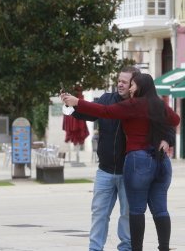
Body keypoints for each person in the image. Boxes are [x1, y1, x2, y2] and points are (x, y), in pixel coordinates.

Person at [62, 73, 180, 251]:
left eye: (131, 84)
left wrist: (77, 101)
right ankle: (164, 248)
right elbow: (175, 120)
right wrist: (165, 138)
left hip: (137, 161)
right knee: (160, 209)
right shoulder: (158, 104)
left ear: (139, 86)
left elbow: (105, 111)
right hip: (160, 161)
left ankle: (135, 249)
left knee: (135, 210)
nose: (127, 87)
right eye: (123, 83)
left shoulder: (133, 104)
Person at [69, 66, 139, 251]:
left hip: (129, 172)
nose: (120, 84)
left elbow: (162, 122)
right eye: (119, 80)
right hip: (105, 171)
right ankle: (95, 248)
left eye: (125, 82)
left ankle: (126, 248)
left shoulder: (140, 104)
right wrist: (72, 105)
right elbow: (88, 112)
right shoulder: (107, 99)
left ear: (134, 84)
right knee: (99, 213)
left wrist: (167, 139)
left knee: (127, 214)